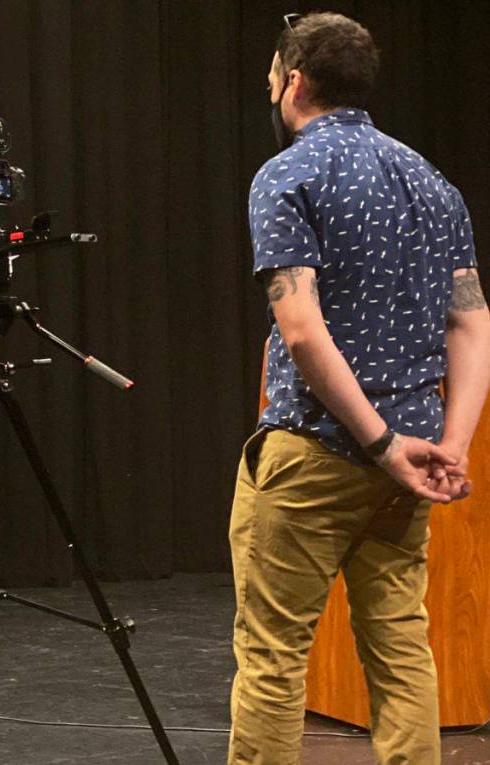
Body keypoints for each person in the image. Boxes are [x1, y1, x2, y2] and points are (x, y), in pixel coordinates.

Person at [229, 11, 490, 765]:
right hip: (412, 462)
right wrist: (450, 445)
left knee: (273, 654)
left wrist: (378, 442)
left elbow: (302, 331)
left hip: (317, 452)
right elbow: (472, 322)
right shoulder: (433, 182)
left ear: (294, 83)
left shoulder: (288, 174)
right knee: (401, 645)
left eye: (273, 78)